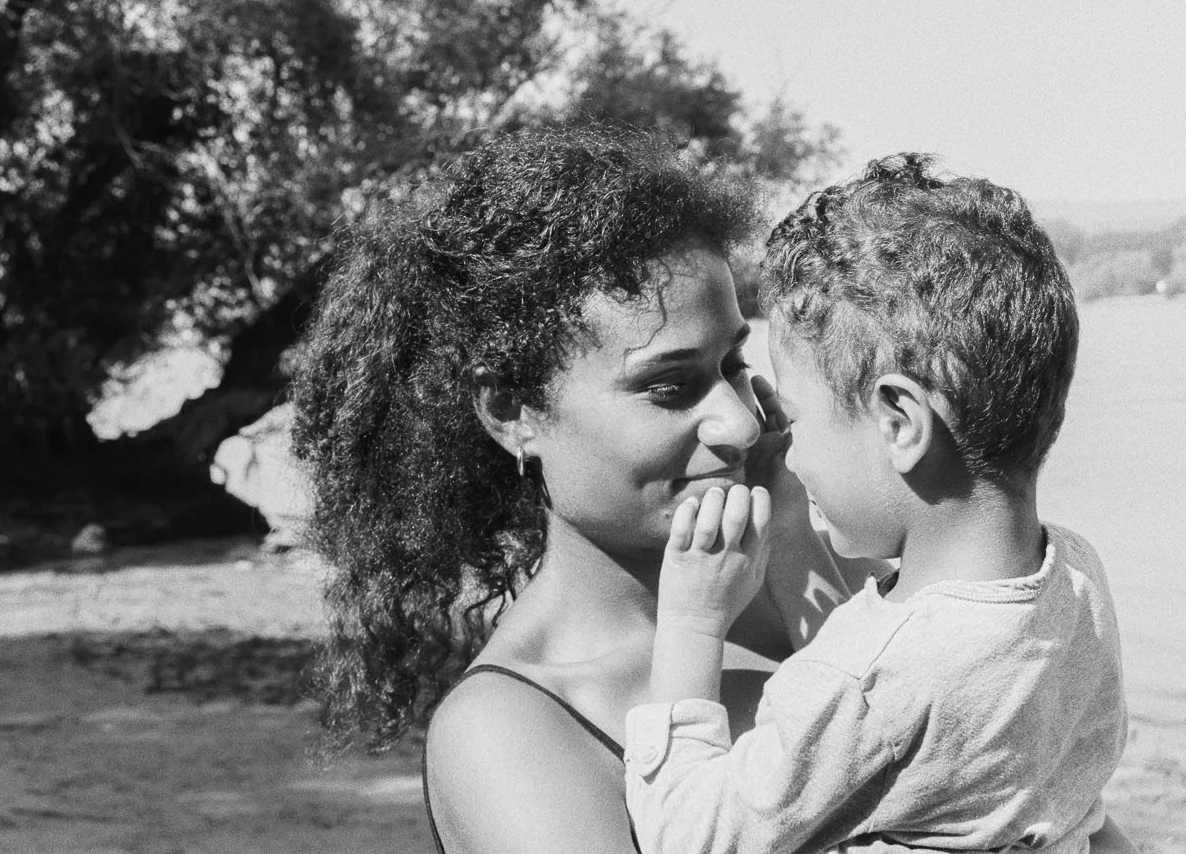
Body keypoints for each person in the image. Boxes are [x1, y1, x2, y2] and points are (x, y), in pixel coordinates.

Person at [290, 128, 1139, 854]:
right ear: (515, 412)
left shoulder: (852, 611)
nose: (738, 420)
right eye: (670, 385)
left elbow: (1060, 804)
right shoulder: (509, 730)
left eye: (737, 362)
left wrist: (803, 530)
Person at [623, 154, 1127, 853]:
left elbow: (691, 836)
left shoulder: (867, 685)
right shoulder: (1076, 577)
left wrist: (690, 623)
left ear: (899, 421)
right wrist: (796, 516)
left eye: (796, 421)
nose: (783, 448)